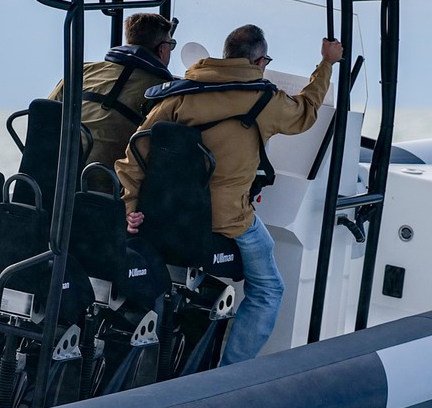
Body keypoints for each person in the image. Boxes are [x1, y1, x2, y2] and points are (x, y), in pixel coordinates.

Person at [115, 24, 343, 365]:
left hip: (165, 214)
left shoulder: (181, 93)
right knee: (268, 289)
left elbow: (135, 154)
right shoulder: (265, 100)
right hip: (227, 219)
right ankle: (230, 372)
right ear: (259, 61)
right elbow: (305, 113)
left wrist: (130, 206)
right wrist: (326, 64)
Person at [48, 12, 177, 172]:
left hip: (52, 176)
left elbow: (46, 115)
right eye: (171, 45)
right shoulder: (165, 91)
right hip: (107, 183)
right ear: (162, 49)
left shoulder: (82, 71)